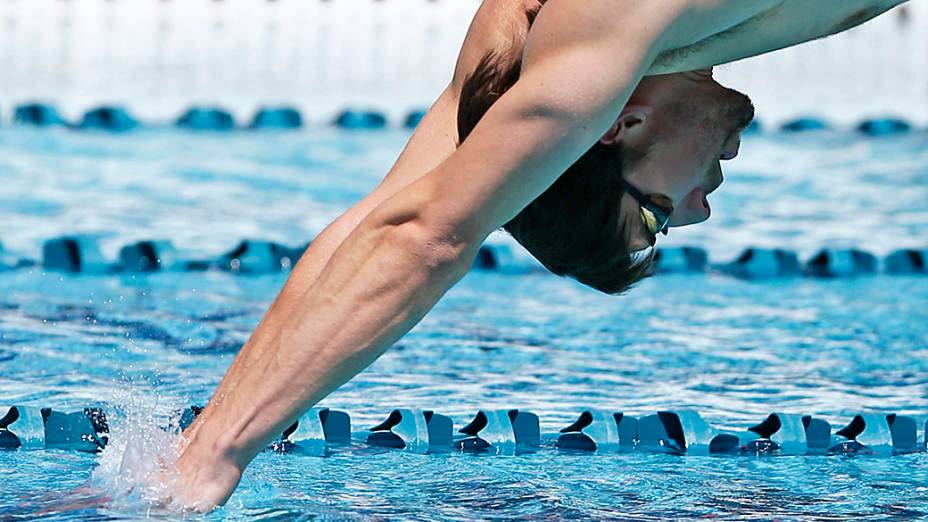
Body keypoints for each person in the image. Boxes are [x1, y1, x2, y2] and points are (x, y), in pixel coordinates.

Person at [164, 0, 908, 510]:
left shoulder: (589, 41)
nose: (701, 208)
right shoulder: (531, 39)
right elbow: (386, 216)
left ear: (615, 126)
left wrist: (212, 462)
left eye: (655, 216)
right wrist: (202, 442)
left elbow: (427, 236)